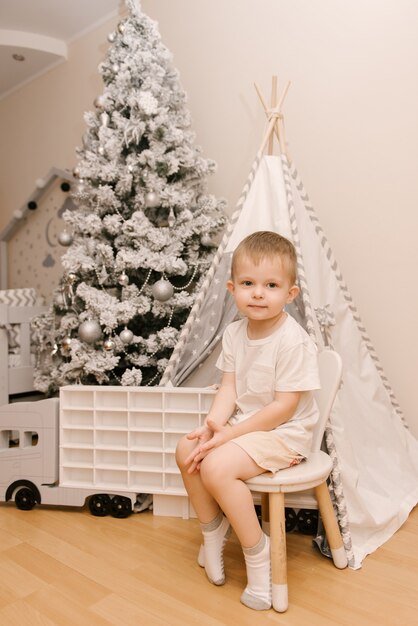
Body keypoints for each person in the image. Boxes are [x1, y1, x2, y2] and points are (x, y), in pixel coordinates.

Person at [175, 230, 320, 611]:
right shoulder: (235, 333)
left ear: (290, 294)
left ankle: (258, 554)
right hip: (245, 425)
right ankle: (212, 532)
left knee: (218, 466)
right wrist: (213, 426)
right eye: (248, 284)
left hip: (285, 433)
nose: (258, 293)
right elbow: (228, 388)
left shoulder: (292, 340)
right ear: (232, 288)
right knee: (187, 448)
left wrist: (228, 437)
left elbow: (283, 408)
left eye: (271, 285)